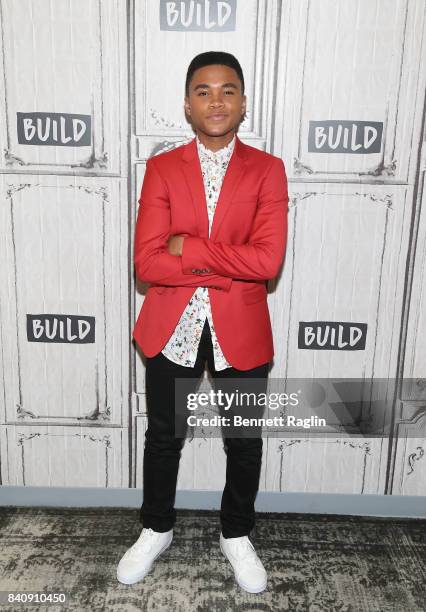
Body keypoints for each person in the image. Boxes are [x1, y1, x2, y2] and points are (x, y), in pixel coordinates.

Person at [117, 51, 288, 594]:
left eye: (228, 90)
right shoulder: (163, 169)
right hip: (173, 326)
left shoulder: (268, 170)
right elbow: (146, 263)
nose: (216, 101)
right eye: (204, 91)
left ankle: (236, 533)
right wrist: (223, 264)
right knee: (164, 437)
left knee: (244, 441)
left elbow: (267, 262)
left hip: (241, 327)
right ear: (188, 105)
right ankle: (156, 526)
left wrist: (189, 248)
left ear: (243, 102)